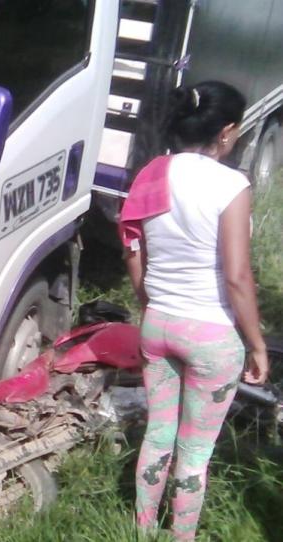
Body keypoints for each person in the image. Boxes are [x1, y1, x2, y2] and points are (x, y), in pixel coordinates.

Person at [119, 81, 269, 541]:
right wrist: (257, 345)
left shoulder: (152, 173)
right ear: (226, 133)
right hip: (211, 335)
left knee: (158, 434)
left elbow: (130, 248)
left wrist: (149, 301)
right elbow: (238, 277)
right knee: (195, 452)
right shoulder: (231, 185)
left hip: (158, 325)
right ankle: (181, 536)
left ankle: (142, 531)